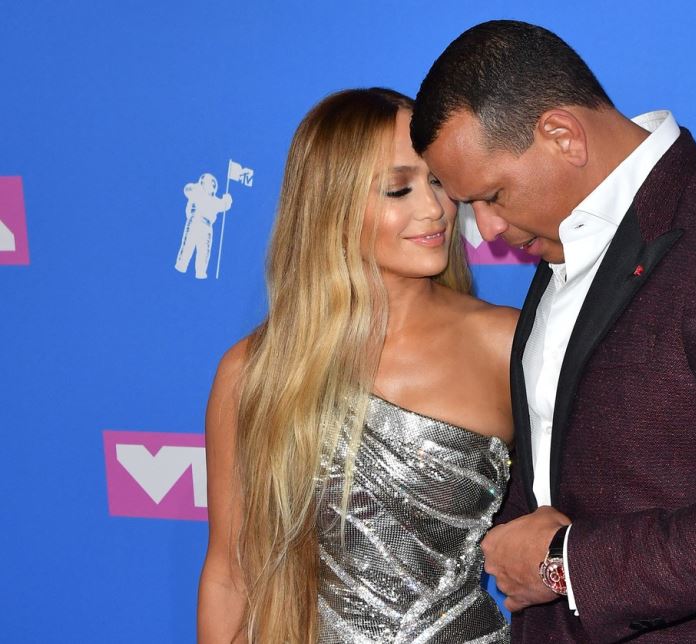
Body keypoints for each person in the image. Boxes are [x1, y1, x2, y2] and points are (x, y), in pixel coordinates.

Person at [411, 20, 696, 643]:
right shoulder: (569, 235)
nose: (485, 230)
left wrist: (567, 563)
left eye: (493, 195)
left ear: (563, 136)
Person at [197, 88, 517, 643]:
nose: (434, 209)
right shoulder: (254, 372)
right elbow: (231, 575)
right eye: (398, 188)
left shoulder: (507, 344)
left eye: (439, 181)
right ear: (331, 204)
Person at [175, 173, 233, 279]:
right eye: (210, 183)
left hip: (207, 226)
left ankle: (200, 272)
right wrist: (197, 187)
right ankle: (181, 266)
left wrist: (227, 199)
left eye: (214, 184)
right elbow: (187, 189)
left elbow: (223, 205)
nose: (212, 185)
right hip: (194, 221)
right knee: (188, 245)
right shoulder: (196, 192)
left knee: (204, 251)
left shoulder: (214, 200)